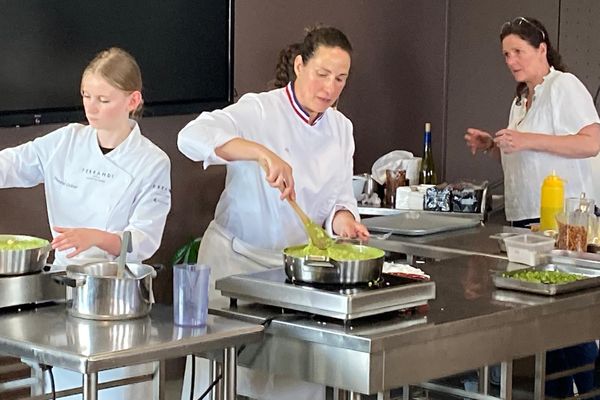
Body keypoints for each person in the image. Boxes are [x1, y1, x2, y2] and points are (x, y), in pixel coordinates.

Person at [178, 26, 368, 400]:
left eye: (340, 78)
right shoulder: (259, 109)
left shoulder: (341, 129)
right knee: (223, 380)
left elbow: (337, 198)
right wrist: (260, 152)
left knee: (293, 379)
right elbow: (191, 137)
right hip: (236, 266)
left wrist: (343, 218)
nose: (330, 87)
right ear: (299, 65)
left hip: (293, 274)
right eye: (322, 74)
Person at [0, 47, 171, 399]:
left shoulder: (152, 161)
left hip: (117, 300)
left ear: (132, 100)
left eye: (103, 99)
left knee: (111, 389)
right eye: (86, 96)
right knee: (60, 386)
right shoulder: (66, 141)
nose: (91, 108)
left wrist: (97, 237)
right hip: (62, 291)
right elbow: (13, 164)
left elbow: (145, 239)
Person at [465, 17, 600, 397]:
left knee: (565, 323)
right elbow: (529, 156)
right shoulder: (521, 98)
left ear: (542, 48)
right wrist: (494, 144)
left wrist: (526, 139)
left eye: (518, 52)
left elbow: (590, 142)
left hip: (563, 227)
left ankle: (590, 390)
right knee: (544, 327)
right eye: (506, 54)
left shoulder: (563, 86)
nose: (511, 60)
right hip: (526, 226)